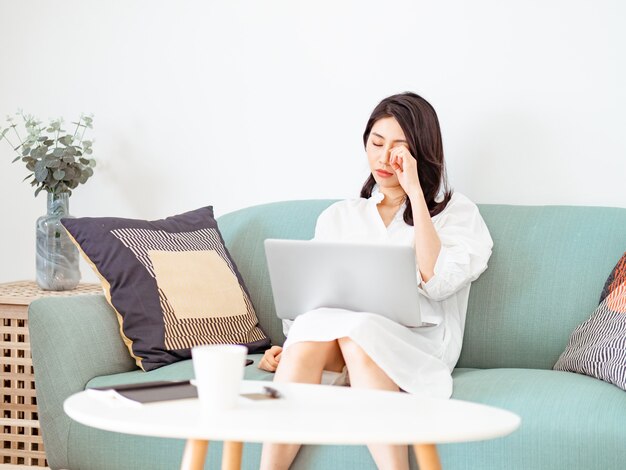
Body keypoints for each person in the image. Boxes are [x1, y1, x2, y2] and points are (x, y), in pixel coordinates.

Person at [258, 92, 493, 470]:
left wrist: (416, 192)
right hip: (344, 338)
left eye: (399, 148)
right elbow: (312, 304)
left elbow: (437, 281)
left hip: (417, 345)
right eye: (376, 143)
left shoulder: (457, 213)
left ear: (421, 152)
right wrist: (292, 345)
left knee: (359, 331)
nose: (384, 158)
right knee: (313, 336)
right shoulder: (339, 217)